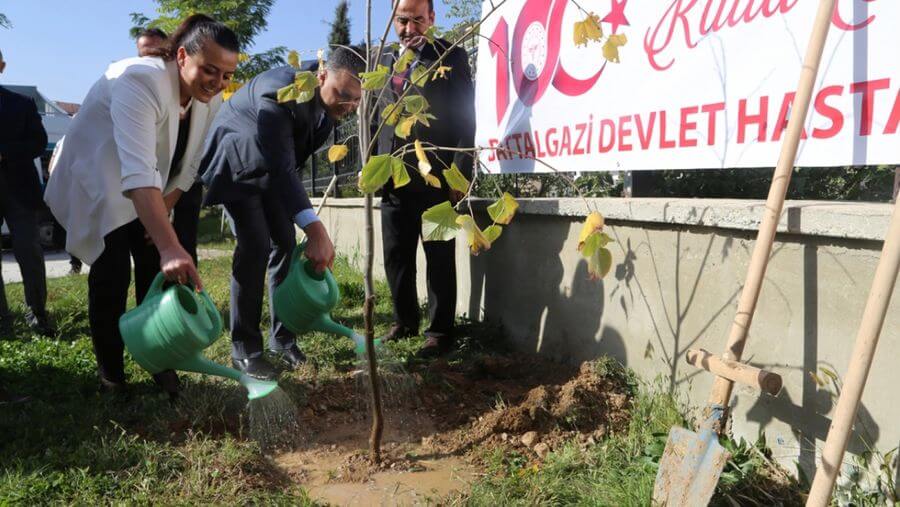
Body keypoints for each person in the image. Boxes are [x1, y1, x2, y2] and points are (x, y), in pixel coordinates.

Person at [44, 15, 239, 396]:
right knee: (112, 270)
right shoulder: (139, 79)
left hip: (147, 179)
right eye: (209, 70)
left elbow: (191, 164)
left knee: (156, 271)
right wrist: (169, 244)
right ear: (182, 56)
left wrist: (163, 213)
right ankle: (111, 375)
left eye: (227, 75)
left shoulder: (210, 96)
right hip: (97, 176)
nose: (217, 83)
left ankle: (158, 358)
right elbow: (136, 172)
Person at [199, 47, 363, 380]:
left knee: (285, 242)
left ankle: (282, 338)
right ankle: (245, 349)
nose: (350, 106)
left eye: (357, 100)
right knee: (256, 245)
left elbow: (287, 164)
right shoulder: (281, 92)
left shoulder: (328, 109)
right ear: (320, 77)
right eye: (343, 95)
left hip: (272, 169)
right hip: (237, 162)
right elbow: (282, 165)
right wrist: (316, 230)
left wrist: (301, 221)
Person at [375, 0, 475, 357]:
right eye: (403, 20)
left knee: (439, 256)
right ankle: (404, 322)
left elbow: (466, 120)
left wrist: (459, 176)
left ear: (432, 19)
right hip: (393, 178)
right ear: (393, 19)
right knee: (395, 255)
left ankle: (439, 332)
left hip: (437, 178)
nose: (410, 28)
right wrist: (374, 167)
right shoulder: (383, 61)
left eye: (418, 19)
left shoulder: (451, 57)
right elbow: (376, 122)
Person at [137, 28, 204, 266]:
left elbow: (195, 158)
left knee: (184, 242)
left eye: (158, 54)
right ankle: (152, 302)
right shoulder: (141, 91)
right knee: (149, 244)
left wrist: (167, 204)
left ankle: (185, 297)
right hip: (147, 182)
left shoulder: (201, 92)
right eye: (145, 56)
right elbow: (139, 168)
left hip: (184, 182)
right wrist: (157, 211)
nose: (153, 62)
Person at [0, 47, 54, 337]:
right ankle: (1, 319)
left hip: (19, 190)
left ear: (2, 66)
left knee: (28, 252)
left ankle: (37, 313)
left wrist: (4, 153)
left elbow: (38, 142)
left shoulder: (21, 104)